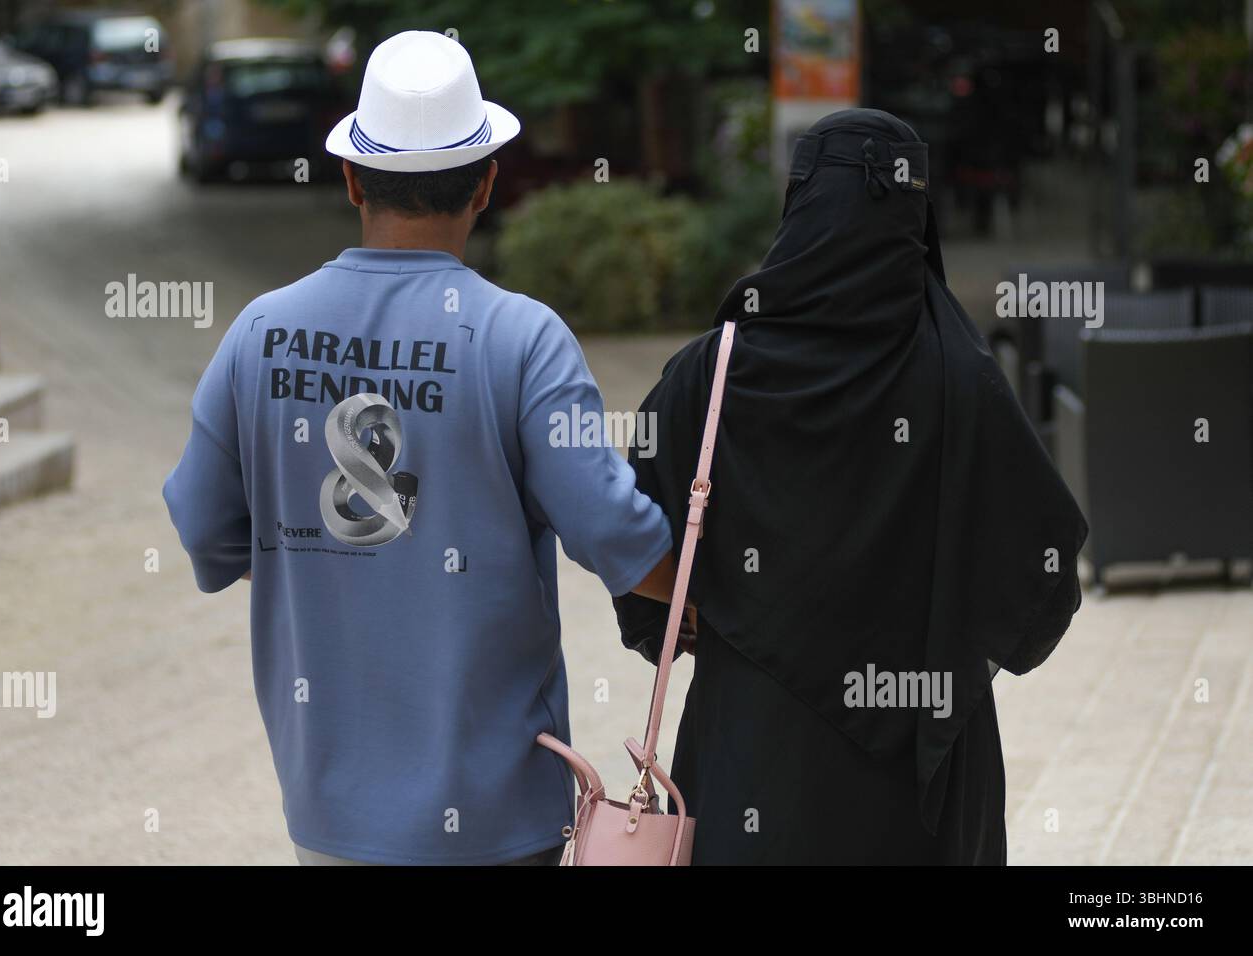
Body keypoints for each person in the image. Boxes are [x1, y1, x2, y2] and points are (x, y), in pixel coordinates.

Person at [163, 31, 675, 866]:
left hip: (328, 813)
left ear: (353, 176)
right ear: (487, 183)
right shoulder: (521, 339)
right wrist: (720, 600)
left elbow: (205, 529)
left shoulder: (260, 331)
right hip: (497, 816)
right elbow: (615, 533)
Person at [613, 108, 1088, 865]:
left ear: (799, 207)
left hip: (756, 752)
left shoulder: (714, 370)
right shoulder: (962, 379)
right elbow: (1045, 573)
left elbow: (626, 535)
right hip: (921, 764)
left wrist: (720, 611)